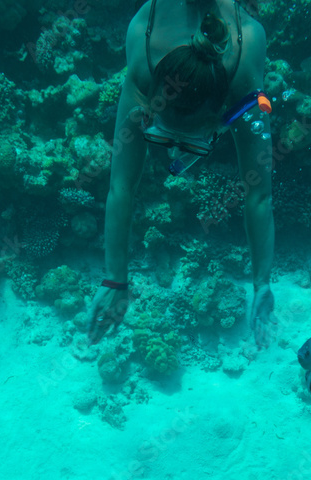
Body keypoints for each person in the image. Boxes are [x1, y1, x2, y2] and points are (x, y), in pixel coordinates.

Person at [87, 0, 276, 347]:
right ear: (151, 103)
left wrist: (262, 281)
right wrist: (115, 280)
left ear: (221, 116)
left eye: (191, 143)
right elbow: (121, 186)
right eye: (158, 132)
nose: (173, 153)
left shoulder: (245, 71)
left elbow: (259, 193)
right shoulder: (143, 69)